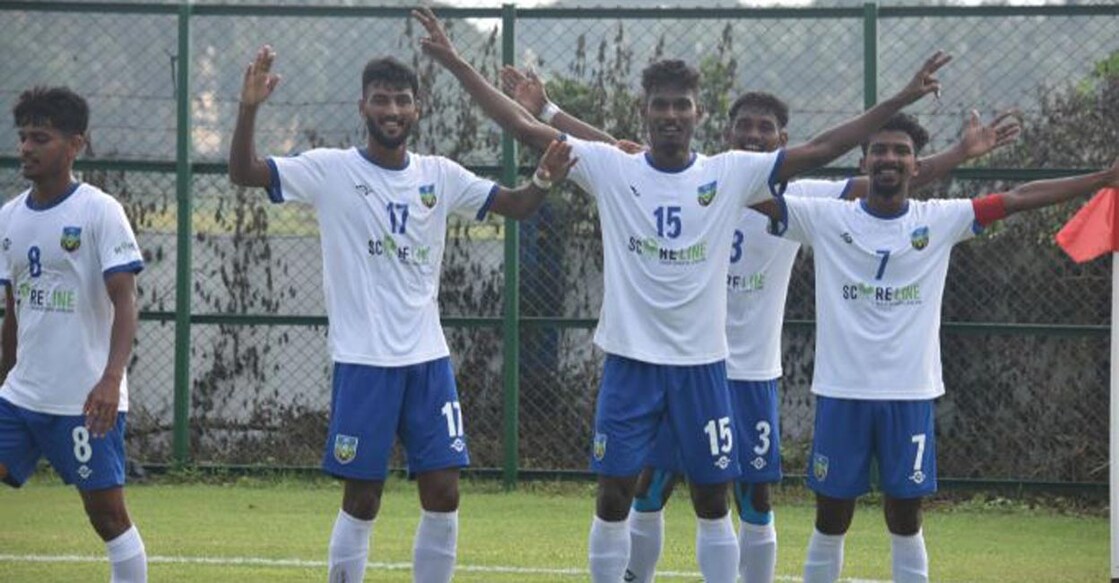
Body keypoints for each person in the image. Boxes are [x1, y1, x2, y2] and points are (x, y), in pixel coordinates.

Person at [412, 8, 948, 581]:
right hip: (630, 364)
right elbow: (525, 128)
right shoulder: (611, 168)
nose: (671, 114)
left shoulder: (728, 173)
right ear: (645, 113)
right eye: (661, 105)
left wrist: (898, 101)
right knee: (617, 494)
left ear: (698, 113)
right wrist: (458, 64)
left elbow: (820, 149)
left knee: (714, 501)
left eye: (681, 105)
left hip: (703, 369)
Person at [499, 70, 1019, 583]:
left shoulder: (800, 197)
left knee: (746, 495)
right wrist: (547, 111)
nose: (752, 136)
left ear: (780, 141)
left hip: (747, 372)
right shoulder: (708, 176)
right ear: (724, 133)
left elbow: (883, 179)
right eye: (743, 127)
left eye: (764, 130)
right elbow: (623, 155)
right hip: (674, 357)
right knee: (647, 486)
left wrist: (955, 153)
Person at [227, 46, 575, 583]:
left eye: (402, 101)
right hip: (364, 362)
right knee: (363, 498)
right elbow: (245, 172)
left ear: (418, 109)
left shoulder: (439, 174)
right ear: (362, 107)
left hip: (428, 362)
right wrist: (248, 109)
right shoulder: (331, 170)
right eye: (381, 101)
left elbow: (518, 204)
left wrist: (544, 180)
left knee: (444, 493)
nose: (392, 110)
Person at [746, 112, 1119, 583]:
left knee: (905, 516)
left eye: (901, 151)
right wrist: (667, 169)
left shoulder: (941, 220)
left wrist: (1104, 178)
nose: (889, 158)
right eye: (879, 150)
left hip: (910, 395)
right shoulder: (825, 217)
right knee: (831, 516)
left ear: (916, 166)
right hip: (842, 394)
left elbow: (1020, 197)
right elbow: (749, 194)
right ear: (863, 161)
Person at [0, 86, 148, 582]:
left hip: (83, 402)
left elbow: (125, 303)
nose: (26, 148)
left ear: (74, 145)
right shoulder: (10, 217)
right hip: (21, 398)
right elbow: (13, 312)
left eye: (39, 138)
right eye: (23, 137)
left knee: (107, 518)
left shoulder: (98, 211)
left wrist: (110, 380)